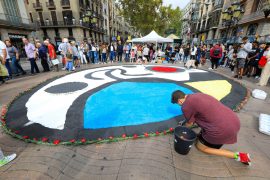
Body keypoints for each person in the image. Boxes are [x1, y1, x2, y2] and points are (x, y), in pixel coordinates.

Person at [171, 90, 251, 165]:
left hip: (222, 130)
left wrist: (182, 131)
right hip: (234, 121)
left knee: (200, 147)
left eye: (178, 104)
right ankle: (214, 142)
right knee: (203, 130)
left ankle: (241, 156)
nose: (179, 105)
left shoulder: (185, 106)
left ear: (179, 101)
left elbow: (189, 124)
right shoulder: (197, 95)